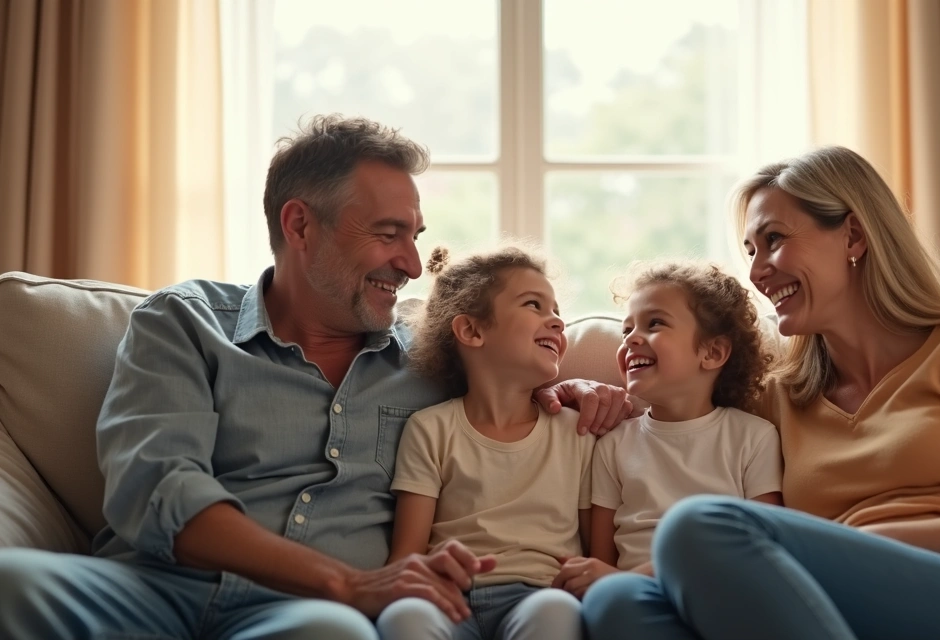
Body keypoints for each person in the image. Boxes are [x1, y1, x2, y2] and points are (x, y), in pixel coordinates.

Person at [0, 115, 631, 640]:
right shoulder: (185, 322)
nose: (412, 264)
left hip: (303, 616)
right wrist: (347, 583)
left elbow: (502, 386)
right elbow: (159, 491)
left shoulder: (430, 354)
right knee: (12, 581)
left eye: (415, 236)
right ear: (299, 224)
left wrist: (564, 389)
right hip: (149, 589)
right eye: (388, 234)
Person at [582, 146, 940, 640]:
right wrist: (577, 391)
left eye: (774, 239)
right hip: (836, 607)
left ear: (853, 235)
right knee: (618, 602)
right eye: (751, 251)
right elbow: (679, 412)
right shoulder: (776, 397)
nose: (756, 272)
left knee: (695, 527)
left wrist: (859, 545)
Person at [376, 246, 591, 640]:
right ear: (472, 331)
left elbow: (597, 561)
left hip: (540, 594)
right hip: (447, 597)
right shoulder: (430, 429)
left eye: (557, 310)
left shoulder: (577, 433)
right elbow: (407, 556)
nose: (558, 321)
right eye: (534, 305)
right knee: (404, 617)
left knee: (556, 612)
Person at [551, 260, 783, 600]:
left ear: (713, 352)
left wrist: (628, 580)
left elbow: (762, 545)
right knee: (608, 603)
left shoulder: (754, 438)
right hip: (633, 602)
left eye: (654, 323)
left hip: (718, 595)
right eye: (626, 331)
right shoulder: (613, 444)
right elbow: (602, 564)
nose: (631, 339)